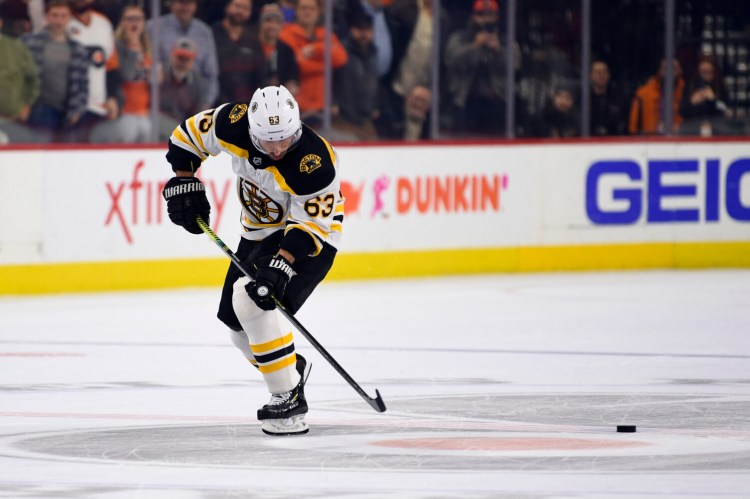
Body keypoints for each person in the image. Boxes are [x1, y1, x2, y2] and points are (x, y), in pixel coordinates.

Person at [161, 85, 343, 435]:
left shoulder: (314, 162)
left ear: (297, 128)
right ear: (251, 129)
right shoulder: (232, 123)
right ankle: (290, 369)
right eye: (267, 140)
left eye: (285, 139)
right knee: (238, 330)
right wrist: (185, 180)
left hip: (310, 241)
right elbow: (186, 137)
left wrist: (284, 262)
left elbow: (313, 226)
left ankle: (288, 399)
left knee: (251, 299)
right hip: (257, 234)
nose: (277, 149)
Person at [444, 0, 520, 136]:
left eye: (490, 15)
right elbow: (451, 61)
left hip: (497, 102)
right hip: (465, 102)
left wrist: (498, 50)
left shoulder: (506, 40)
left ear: (497, 17)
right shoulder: (460, 37)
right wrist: (474, 46)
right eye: (481, 15)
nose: (485, 19)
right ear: (473, 16)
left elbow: (515, 65)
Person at [21, 0, 89, 143]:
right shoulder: (30, 43)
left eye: (63, 16)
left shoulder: (78, 50)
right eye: (55, 15)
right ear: (47, 17)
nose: (59, 20)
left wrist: (78, 110)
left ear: (70, 18)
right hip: (40, 110)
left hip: (68, 113)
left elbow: (83, 84)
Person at [279, 0, 348, 126]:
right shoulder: (286, 35)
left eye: (312, 8)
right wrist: (325, 63)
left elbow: (341, 58)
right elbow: (299, 65)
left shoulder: (326, 35)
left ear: (318, 12)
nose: (308, 12)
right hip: (298, 109)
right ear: (296, 11)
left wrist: (316, 49)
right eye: (304, 8)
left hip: (325, 107)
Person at [91, 4, 151, 143]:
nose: (134, 23)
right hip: (124, 113)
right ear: (123, 22)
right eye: (130, 19)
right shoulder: (116, 46)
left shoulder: (149, 49)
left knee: (149, 130)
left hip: (144, 113)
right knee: (129, 129)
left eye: (138, 19)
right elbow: (126, 74)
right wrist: (133, 45)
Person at [147, 0, 219, 108]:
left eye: (189, 3)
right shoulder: (152, 27)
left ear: (195, 6)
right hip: (162, 98)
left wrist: (206, 104)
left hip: (195, 99)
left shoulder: (204, 31)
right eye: (181, 2)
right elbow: (147, 65)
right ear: (171, 4)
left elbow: (212, 75)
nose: (185, 7)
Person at [66, 0, 121, 142]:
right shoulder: (61, 20)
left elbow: (111, 64)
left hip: (98, 103)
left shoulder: (103, 23)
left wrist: (111, 97)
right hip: (68, 104)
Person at [333, 9, 380, 140]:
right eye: (359, 29)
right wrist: (332, 102)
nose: (364, 33)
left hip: (366, 119)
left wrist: (376, 105)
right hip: (344, 118)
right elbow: (330, 80)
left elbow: (375, 82)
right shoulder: (341, 51)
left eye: (368, 29)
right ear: (352, 29)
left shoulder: (373, 53)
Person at [212, 0, 265, 104]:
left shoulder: (253, 41)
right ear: (227, 7)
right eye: (237, 6)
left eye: (245, 8)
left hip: (245, 106)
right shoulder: (212, 34)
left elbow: (261, 75)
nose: (240, 11)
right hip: (215, 104)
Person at [157, 37, 208, 140]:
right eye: (180, 57)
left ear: (193, 60)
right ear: (172, 55)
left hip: (181, 129)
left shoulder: (198, 83)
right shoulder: (159, 73)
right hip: (156, 124)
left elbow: (197, 115)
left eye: (187, 59)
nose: (182, 63)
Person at [0, 13, 39, 143]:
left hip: (13, 117)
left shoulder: (16, 47)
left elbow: (32, 78)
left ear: (0, 23)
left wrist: (27, 105)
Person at [628, 58, 685, 135]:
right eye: (665, 68)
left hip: (680, 141)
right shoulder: (643, 94)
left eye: (674, 68)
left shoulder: (686, 91)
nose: (669, 72)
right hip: (650, 142)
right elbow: (633, 128)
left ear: (680, 70)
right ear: (659, 70)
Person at [679, 55, 733, 136]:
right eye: (703, 72)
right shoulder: (690, 87)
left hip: (717, 133)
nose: (705, 76)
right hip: (693, 133)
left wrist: (713, 100)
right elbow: (682, 111)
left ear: (714, 73)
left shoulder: (721, 88)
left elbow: (727, 111)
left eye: (709, 72)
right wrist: (692, 102)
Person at [257, 3, 299, 93]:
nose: (272, 26)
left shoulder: (287, 50)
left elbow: (292, 77)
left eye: (277, 22)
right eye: (268, 21)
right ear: (261, 23)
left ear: (282, 26)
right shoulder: (250, 47)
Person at [589, 60, 626, 136]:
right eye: (598, 73)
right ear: (591, 76)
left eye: (604, 72)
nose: (601, 76)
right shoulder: (584, 99)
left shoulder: (618, 98)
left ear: (608, 75)